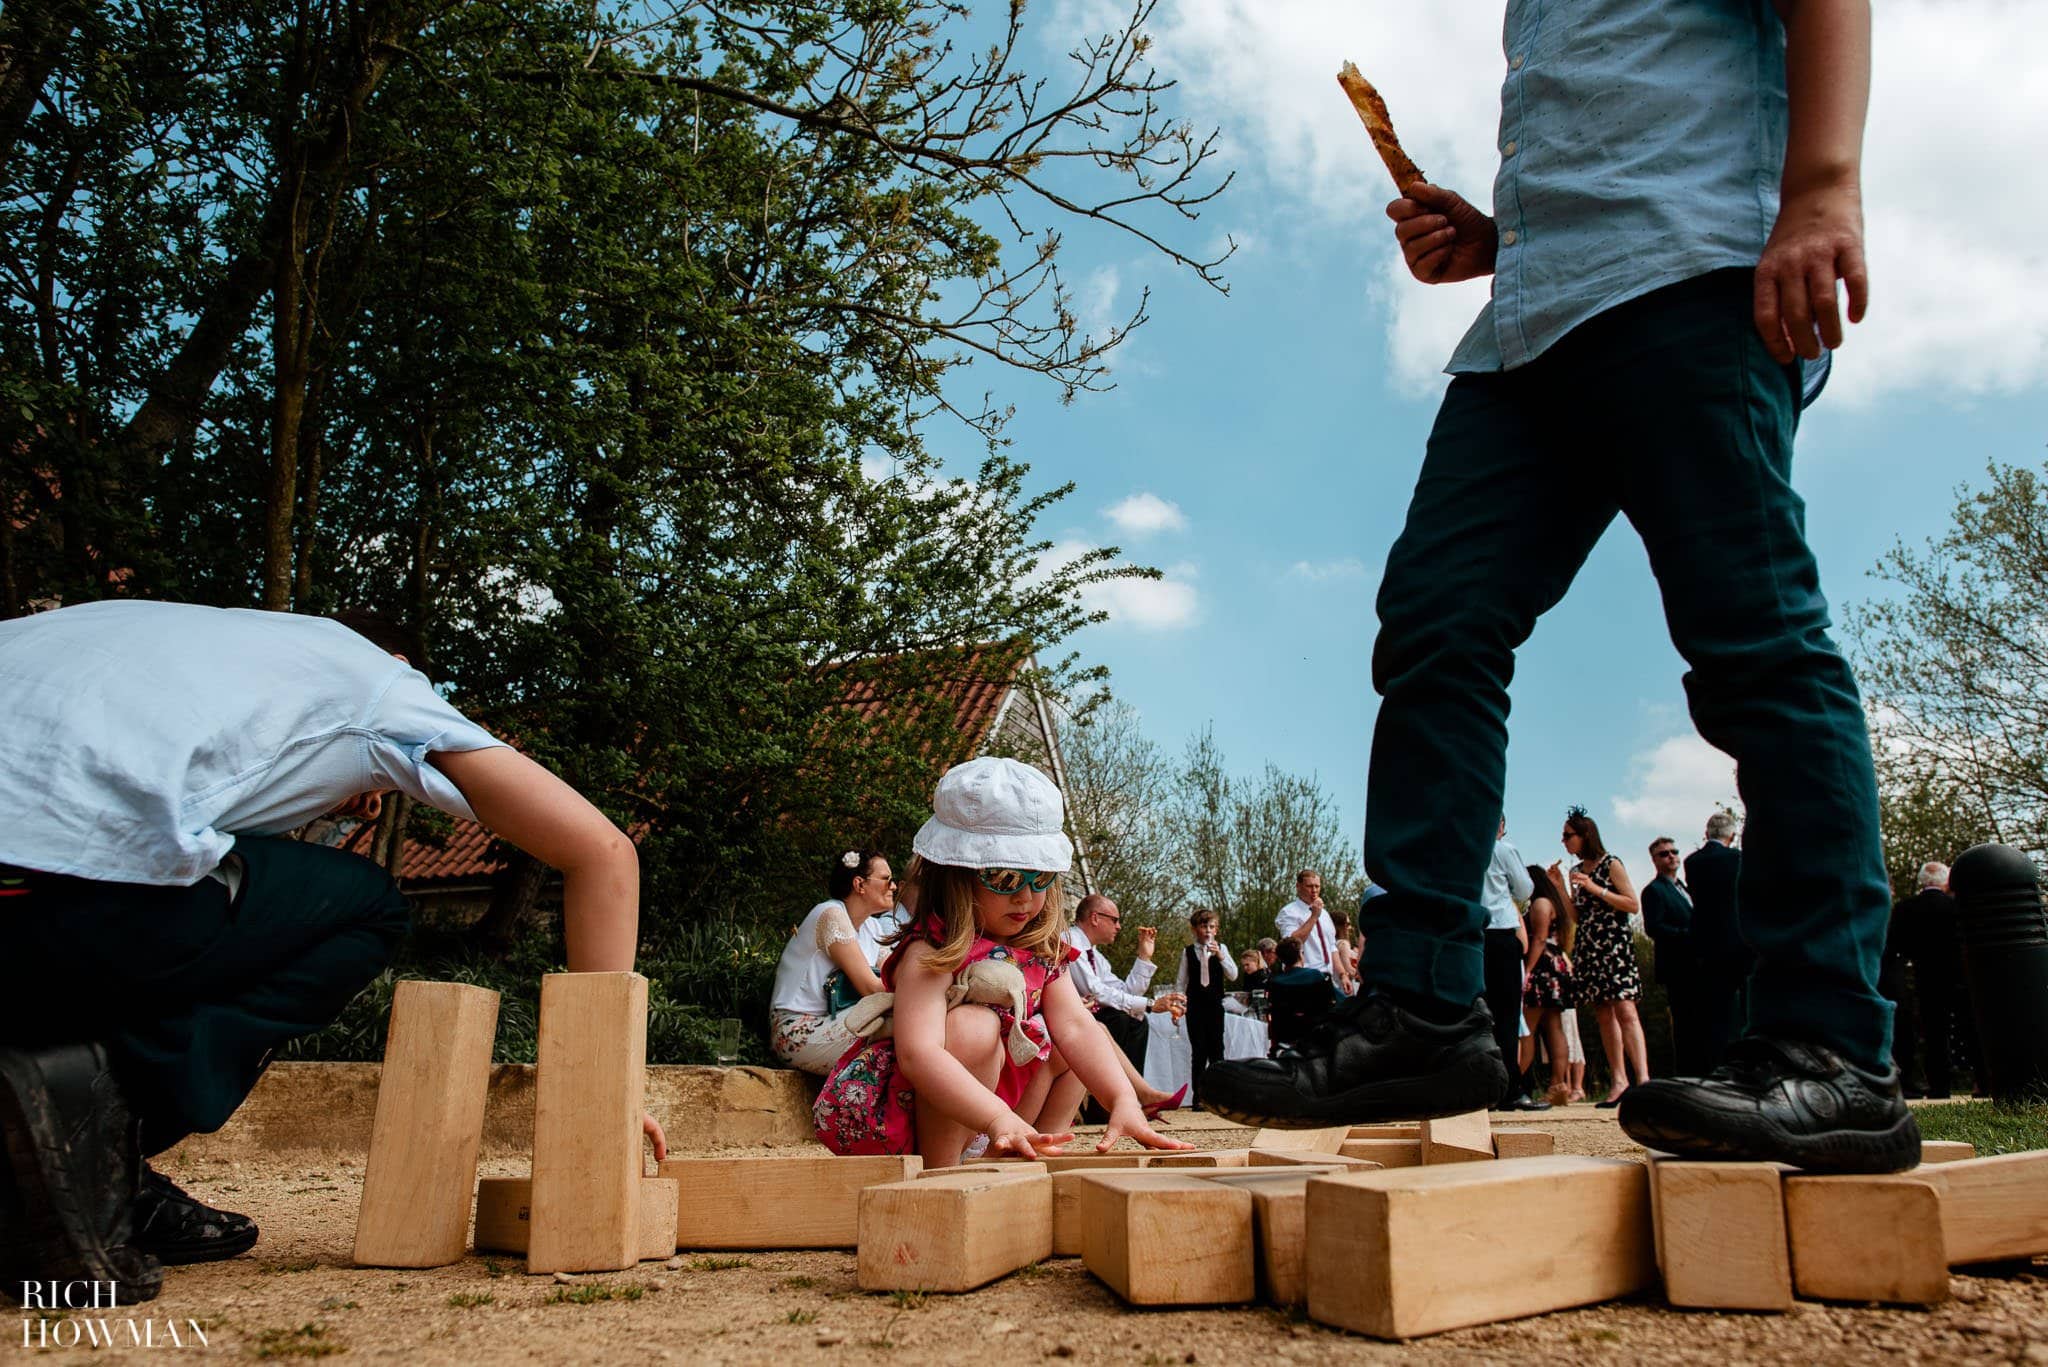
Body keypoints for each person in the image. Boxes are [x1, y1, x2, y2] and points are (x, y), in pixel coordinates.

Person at [1203, 0, 1918, 1173]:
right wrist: (1500, 240)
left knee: (1753, 644)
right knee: (1434, 623)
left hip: (1693, 282)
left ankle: (1831, 1045)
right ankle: (1424, 1006)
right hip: (1526, 332)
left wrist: (1822, 189)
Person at [0, 600, 668, 1303]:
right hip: (51, 897)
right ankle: (99, 1142)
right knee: (365, 906)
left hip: (33, 909)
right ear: (401, 666)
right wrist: (608, 1096)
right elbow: (602, 852)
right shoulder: (379, 680)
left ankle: (64, 1156)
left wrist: (323, 794)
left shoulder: (143, 635)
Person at [811, 757, 1188, 1165]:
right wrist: (995, 1116)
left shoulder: (1039, 950)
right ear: (956, 874)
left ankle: (1027, 1154)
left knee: (1076, 1043)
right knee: (974, 1026)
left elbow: (1076, 1027)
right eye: (1005, 878)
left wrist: (1122, 1098)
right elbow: (919, 1054)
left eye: (1040, 878)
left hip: (1005, 1115)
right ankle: (942, 1171)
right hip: (937, 1110)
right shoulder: (932, 951)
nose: (1025, 897)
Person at [1055, 894, 1185, 1124]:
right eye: (1114, 920)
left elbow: (1125, 990)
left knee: (1136, 1021)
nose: (1119, 926)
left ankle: (1127, 1100)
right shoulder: (1070, 942)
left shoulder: (1096, 956)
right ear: (1095, 918)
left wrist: (1144, 957)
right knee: (1120, 1019)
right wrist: (1149, 1004)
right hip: (1068, 1019)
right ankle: (1120, 1101)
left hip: (1085, 1017)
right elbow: (1096, 991)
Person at [768, 850, 896, 1074]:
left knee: (912, 1024)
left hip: (838, 1020)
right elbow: (873, 989)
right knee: (906, 1021)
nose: (893, 886)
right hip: (797, 1029)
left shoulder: (873, 927)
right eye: (887, 879)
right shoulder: (831, 915)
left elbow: (893, 976)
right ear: (859, 884)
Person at [1559, 810, 1648, 1106]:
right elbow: (1577, 916)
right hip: (1590, 945)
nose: (1564, 841)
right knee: (1603, 1013)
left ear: (1585, 835)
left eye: (1568, 835)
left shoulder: (1611, 864)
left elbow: (1632, 904)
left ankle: (1643, 1079)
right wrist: (1560, 888)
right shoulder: (1576, 870)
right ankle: (1619, 1080)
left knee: (1625, 1009)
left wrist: (1595, 888)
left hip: (1614, 945)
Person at [1881, 861, 1973, 1099]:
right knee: (1968, 1027)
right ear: (1945, 881)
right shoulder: (1956, 907)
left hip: (1926, 976)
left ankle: (1939, 1086)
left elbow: (1896, 945)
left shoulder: (1905, 909)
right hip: (1958, 976)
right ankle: (1981, 1080)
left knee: (1934, 1033)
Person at [1684, 811, 1752, 1073]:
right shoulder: (1738, 859)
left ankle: (1718, 1064)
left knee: (1715, 1010)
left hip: (1706, 944)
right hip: (1739, 941)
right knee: (1745, 1007)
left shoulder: (1692, 863)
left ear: (1707, 833)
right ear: (1732, 836)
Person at [1482, 819, 1540, 1108]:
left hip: (1470, 935)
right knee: (1506, 1015)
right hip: (1500, 931)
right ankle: (1509, 1089)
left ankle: (1482, 1088)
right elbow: (1525, 890)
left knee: (1479, 1012)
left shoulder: (1462, 848)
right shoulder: (1502, 850)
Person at [1641, 835, 1702, 1076]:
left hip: (1698, 963)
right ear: (1654, 860)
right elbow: (1654, 927)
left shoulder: (1685, 888)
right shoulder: (1653, 891)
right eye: (1664, 854)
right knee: (1685, 1022)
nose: (1671, 857)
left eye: (1674, 852)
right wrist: (1687, 934)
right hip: (1678, 965)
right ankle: (1687, 1073)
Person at [1519, 864, 1574, 1107]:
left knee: (1528, 1028)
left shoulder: (1540, 904)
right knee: (1554, 1026)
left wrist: (1528, 970)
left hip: (1542, 967)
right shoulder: (1555, 905)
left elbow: (1540, 939)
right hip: (1556, 966)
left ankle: (1516, 1078)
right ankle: (1557, 1083)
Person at [1173, 909, 1238, 1105]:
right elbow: (1181, 982)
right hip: (1195, 1007)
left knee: (1217, 1049)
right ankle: (1199, 1095)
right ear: (1195, 929)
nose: (1208, 931)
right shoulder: (1188, 952)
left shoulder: (1222, 949)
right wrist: (1178, 1004)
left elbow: (1233, 975)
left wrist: (1221, 956)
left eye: (1211, 927)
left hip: (1215, 1006)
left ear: (1216, 930)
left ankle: (1219, 1094)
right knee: (1199, 1051)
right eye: (1203, 926)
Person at [1264, 939, 1341, 1055]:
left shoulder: (1273, 982)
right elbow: (1340, 1001)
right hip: (1316, 1036)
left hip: (1285, 1037)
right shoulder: (1317, 976)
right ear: (1300, 954)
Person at [1275, 871, 1340, 975]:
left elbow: (1332, 946)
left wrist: (1342, 974)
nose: (1314, 890)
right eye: (1309, 886)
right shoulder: (1288, 912)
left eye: (1317, 886)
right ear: (1298, 886)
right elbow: (1291, 945)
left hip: (1327, 975)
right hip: (1303, 975)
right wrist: (1314, 917)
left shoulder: (1324, 914)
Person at [858, 873, 915, 972]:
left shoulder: (873, 925)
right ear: (860, 884)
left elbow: (889, 973)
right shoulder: (889, 924)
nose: (893, 887)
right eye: (885, 879)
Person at [1328, 909, 1362, 996]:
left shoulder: (1331, 944)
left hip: (1336, 985)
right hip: (1347, 987)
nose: (1350, 928)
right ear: (1339, 926)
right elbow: (1349, 970)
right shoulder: (1343, 944)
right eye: (1348, 924)